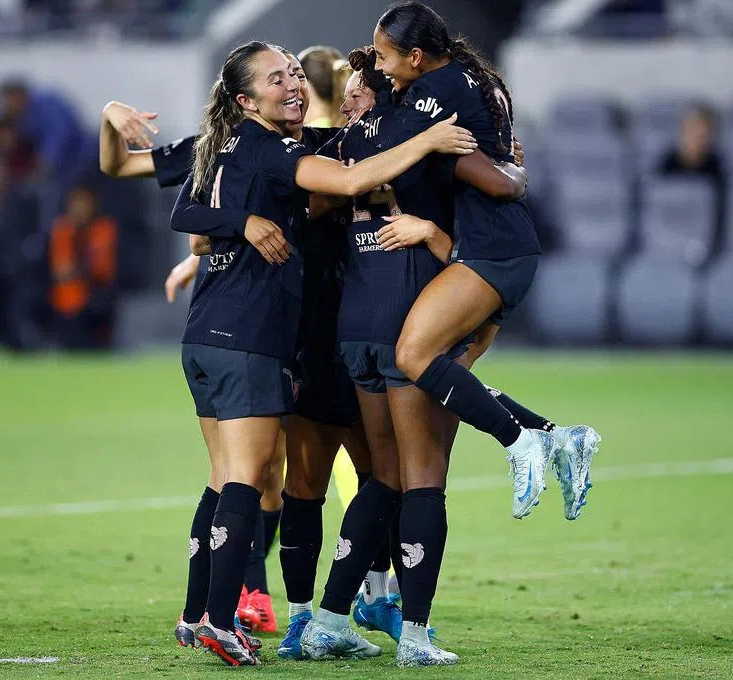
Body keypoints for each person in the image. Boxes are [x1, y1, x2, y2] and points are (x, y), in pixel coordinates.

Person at [111, 40, 477, 667]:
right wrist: (433, 140)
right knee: (272, 482)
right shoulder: (287, 149)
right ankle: (262, 615)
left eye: (303, 78)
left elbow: (172, 197)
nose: (300, 87)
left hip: (227, 330)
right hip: (274, 334)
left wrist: (113, 118)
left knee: (245, 478)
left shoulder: (239, 144)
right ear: (248, 97)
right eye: (283, 77)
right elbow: (344, 182)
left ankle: (211, 612)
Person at [358, 2, 600, 663]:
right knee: (441, 393)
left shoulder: (434, 93)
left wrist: (484, 191)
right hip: (483, 252)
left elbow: (457, 167)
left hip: (487, 254)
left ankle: (521, 438)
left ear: (414, 56)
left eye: (381, 59)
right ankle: (557, 437)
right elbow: (493, 165)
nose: (376, 73)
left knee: (414, 358)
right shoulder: (463, 84)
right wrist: (505, 174)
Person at [300, 46, 533, 666]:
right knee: (424, 479)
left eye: (356, 89)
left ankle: (326, 619)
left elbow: (312, 203)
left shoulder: (342, 149)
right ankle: (418, 638)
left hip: (356, 328)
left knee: (385, 477)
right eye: (347, 90)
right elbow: (475, 232)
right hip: (408, 325)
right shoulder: (424, 143)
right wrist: (508, 173)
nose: (348, 98)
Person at [48, 185, 117, 350]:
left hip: (97, 297)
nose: (80, 207)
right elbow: (61, 270)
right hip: (68, 299)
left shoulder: (104, 229)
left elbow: (104, 269)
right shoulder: (62, 229)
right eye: (76, 202)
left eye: (84, 201)